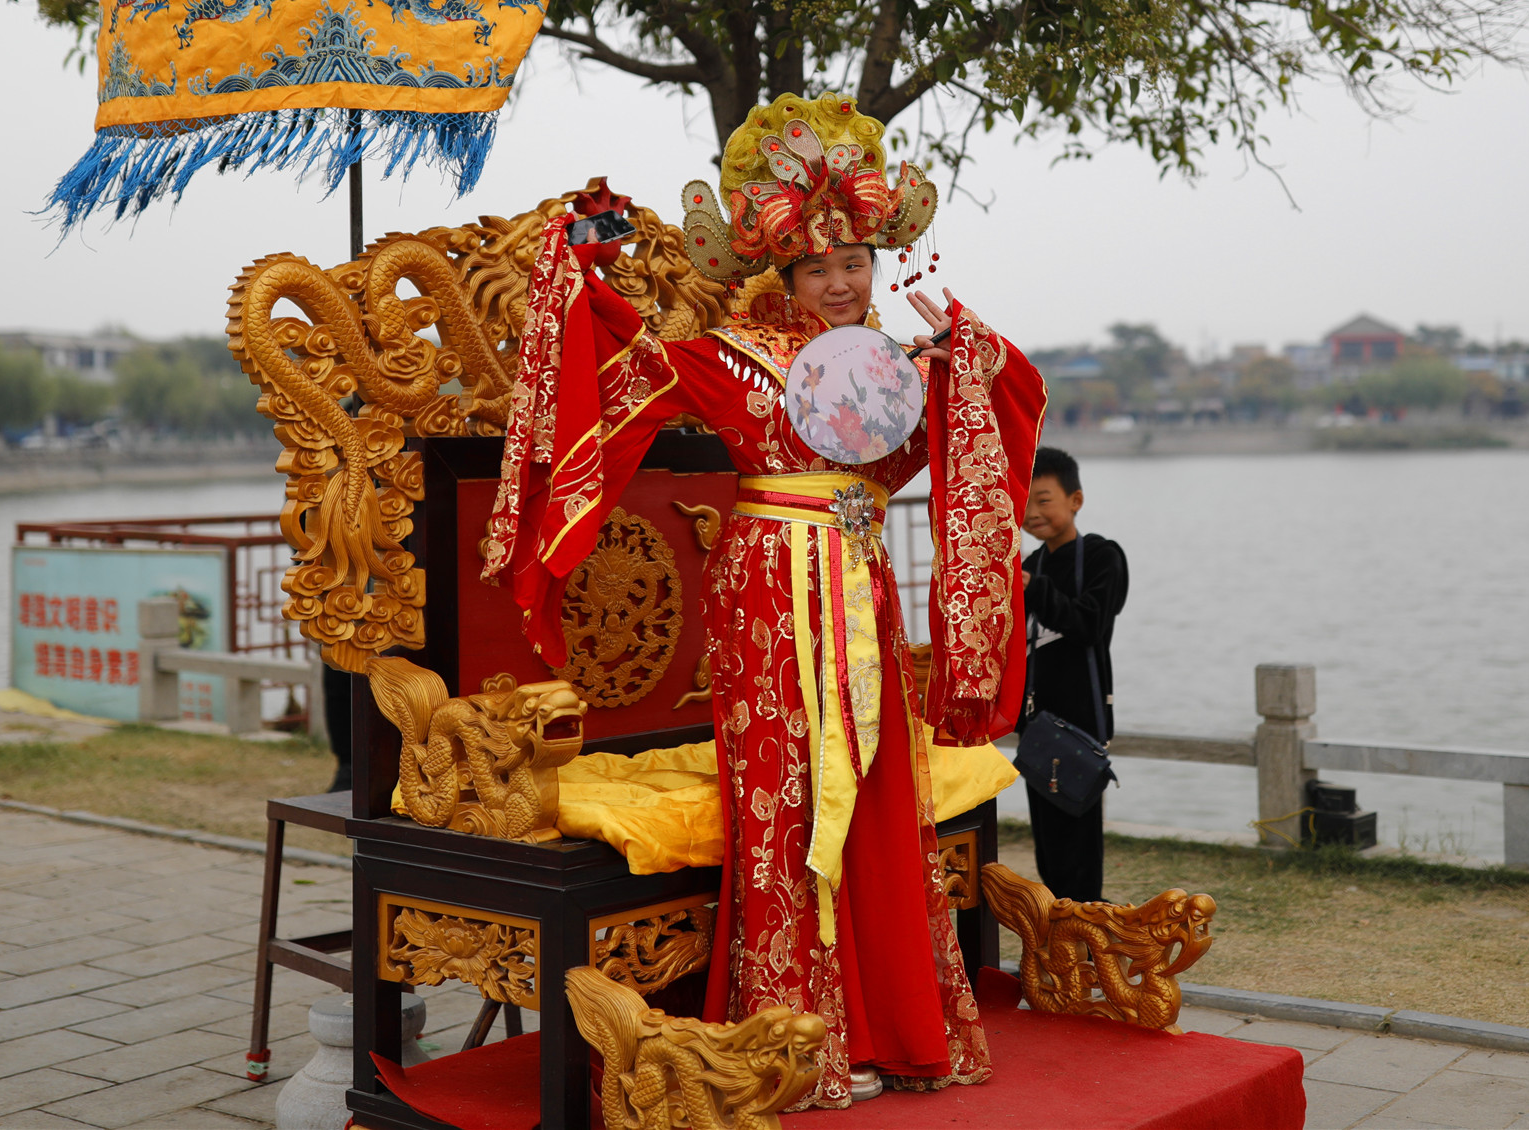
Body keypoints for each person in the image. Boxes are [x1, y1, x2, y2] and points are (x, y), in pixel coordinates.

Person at [481, 93, 1046, 1109]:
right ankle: (804, 1039)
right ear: (779, 272)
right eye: (818, 267)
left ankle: (898, 1025)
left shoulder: (889, 367)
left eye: (854, 263)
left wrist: (967, 354)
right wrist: (582, 267)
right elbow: (616, 369)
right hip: (767, 594)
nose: (839, 283)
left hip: (860, 582)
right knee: (785, 801)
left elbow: (979, 423)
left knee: (873, 791)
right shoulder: (729, 358)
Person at [1019, 446, 1128, 903]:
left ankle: (1086, 944)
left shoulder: (1102, 556)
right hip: (1038, 727)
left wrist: (1034, 589)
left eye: (1044, 500)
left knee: (1080, 850)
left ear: (1075, 500)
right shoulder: (1029, 566)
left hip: (1081, 727)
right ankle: (1059, 942)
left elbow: (1090, 625)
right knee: (1048, 847)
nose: (1032, 512)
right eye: (1023, 503)